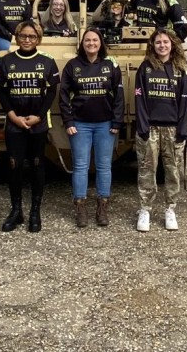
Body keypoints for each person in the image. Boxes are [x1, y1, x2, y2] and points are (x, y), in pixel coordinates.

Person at [0, 21, 60, 233]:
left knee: (37, 164)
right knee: (14, 165)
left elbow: (51, 92)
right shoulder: (6, 61)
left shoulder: (47, 61)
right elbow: (2, 91)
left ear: (38, 39)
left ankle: (35, 211)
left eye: (32, 36)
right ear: (17, 37)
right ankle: (16, 211)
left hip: (37, 123)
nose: (27, 39)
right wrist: (13, 116)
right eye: (23, 35)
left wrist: (38, 116)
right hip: (14, 123)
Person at [59, 28, 124, 227]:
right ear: (82, 43)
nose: (91, 43)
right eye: (87, 40)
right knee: (80, 166)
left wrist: (116, 121)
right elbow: (63, 95)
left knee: (104, 166)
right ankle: (80, 207)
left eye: (95, 40)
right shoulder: (73, 66)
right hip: (80, 125)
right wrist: (68, 121)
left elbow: (119, 96)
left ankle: (102, 207)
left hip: (105, 124)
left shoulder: (110, 64)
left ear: (100, 43)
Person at [134, 28, 187, 232]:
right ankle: (145, 209)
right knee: (146, 170)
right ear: (152, 45)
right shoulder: (146, 68)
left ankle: (170, 209)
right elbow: (139, 99)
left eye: (166, 42)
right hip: (150, 128)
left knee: (172, 171)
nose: (162, 46)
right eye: (158, 42)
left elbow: (185, 102)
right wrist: (142, 127)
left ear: (172, 44)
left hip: (172, 129)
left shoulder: (181, 70)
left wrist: (182, 129)